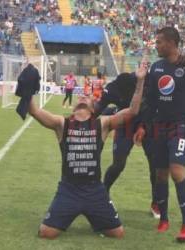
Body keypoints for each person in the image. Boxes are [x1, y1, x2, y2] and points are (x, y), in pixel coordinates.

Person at [26, 60, 148, 239]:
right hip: (69, 189)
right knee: (46, 233)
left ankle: (96, 217)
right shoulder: (62, 124)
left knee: (117, 233)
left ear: (93, 108)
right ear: (74, 108)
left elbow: (132, 111)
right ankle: (85, 215)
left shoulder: (103, 124)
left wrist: (140, 81)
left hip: (95, 190)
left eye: (86, 97)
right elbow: (35, 111)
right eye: (80, 97)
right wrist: (28, 90)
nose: (82, 97)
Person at [135, 27, 185, 242]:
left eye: (159, 42)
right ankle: (164, 219)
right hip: (159, 126)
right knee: (160, 174)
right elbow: (149, 101)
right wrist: (142, 126)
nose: (156, 45)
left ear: (171, 43)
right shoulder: (157, 68)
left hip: (182, 125)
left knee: (177, 171)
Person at [94, 72, 160, 219]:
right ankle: (103, 194)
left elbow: (155, 107)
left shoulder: (148, 83)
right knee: (118, 164)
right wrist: (86, 120)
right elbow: (99, 107)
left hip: (148, 123)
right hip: (125, 124)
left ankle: (156, 202)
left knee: (154, 165)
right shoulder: (116, 86)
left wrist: (143, 126)